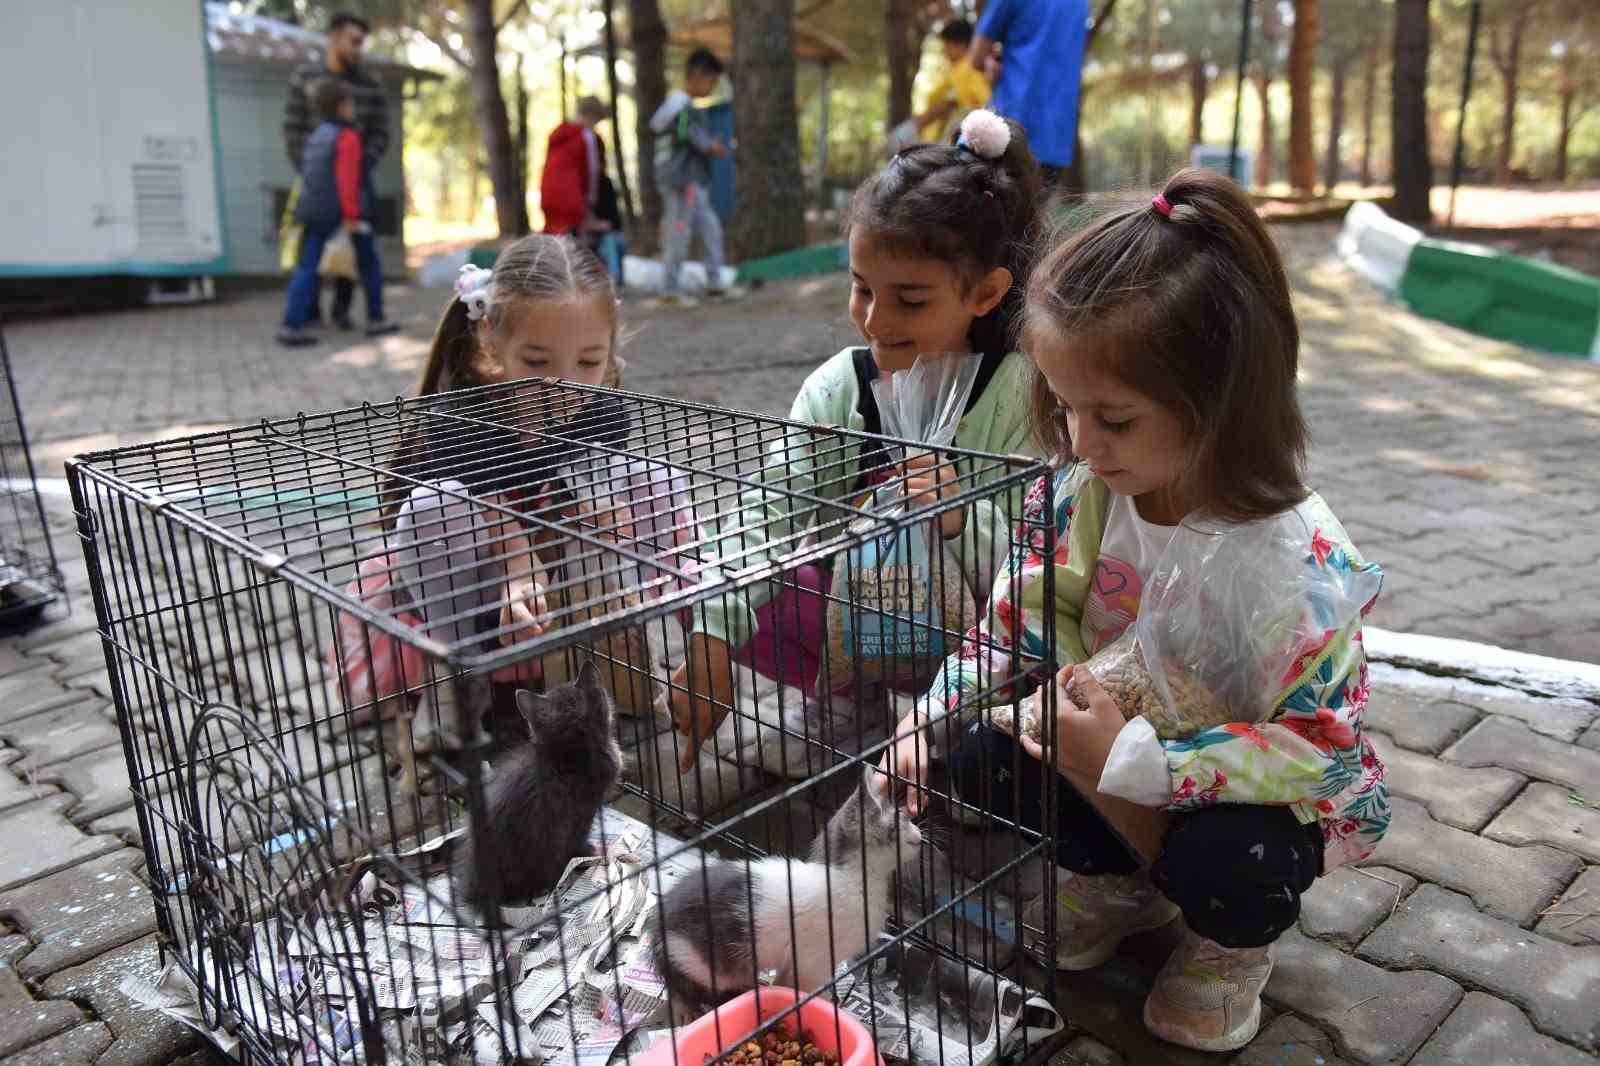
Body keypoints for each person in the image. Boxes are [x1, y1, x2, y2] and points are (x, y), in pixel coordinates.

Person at [883, 170, 1389, 1052]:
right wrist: (926, 721)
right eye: (1065, 407)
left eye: (1112, 417)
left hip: (1232, 797)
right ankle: (1115, 877)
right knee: (975, 756)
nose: (1080, 443)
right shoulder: (1083, 492)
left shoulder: (1300, 564)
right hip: (1107, 749)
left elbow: (1323, 756)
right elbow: (1013, 621)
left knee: (1234, 863)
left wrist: (1147, 762)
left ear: (1220, 400)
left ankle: (1225, 939)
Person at [668, 110, 1047, 777]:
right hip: (855, 625)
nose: (875, 319)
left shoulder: (1020, 394)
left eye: (909, 298)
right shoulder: (836, 393)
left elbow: (1040, 561)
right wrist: (710, 638)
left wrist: (961, 515)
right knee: (705, 577)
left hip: (975, 643)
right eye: (861, 288)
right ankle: (844, 705)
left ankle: (950, 722)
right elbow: (767, 514)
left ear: (985, 292)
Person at [283, 11, 397, 334]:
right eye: (354, 41)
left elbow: (380, 132)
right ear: (334, 38)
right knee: (340, 253)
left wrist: (361, 164)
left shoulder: (369, 86)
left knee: (334, 254)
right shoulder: (304, 78)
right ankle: (309, 314)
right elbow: (291, 130)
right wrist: (315, 171)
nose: (359, 49)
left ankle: (340, 312)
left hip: (347, 184)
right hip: (322, 188)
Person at [277, 80, 391, 347]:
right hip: (343, 212)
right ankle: (376, 319)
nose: (353, 109)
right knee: (370, 265)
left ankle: (291, 324)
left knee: (306, 268)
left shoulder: (317, 135)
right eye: (350, 103)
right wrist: (352, 214)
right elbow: (347, 180)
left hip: (312, 211)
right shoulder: (347, 136)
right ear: (341, 107)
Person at [970, 0, 1090, 187]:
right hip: (1057, 134)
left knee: (998, 210)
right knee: (1037, 211)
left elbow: (976, 56)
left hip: (1010, 127)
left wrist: (991, 62)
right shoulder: (1080, 4)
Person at [650, 48, 735, 307]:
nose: (711, 88)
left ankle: (714, 282)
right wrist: (712, 146)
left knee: (709, 226)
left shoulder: (676, 106)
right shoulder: (680, 105)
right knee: (678, 231)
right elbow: (689, 135)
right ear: (697, 76)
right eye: (711, 81)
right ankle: (670, 290)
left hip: (691, 181)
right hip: (682, 180)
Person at [541, 97, 626, 287]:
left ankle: (550, 281)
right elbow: (591, 171)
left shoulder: (560, 134)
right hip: (572, 196)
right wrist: (590, 202)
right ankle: (575, 285)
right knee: (575, 243)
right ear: (592, 116)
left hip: (549, 195)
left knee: (555, 238)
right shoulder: (585, 136)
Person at [910, 20, 991, 144]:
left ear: (961, 45)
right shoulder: (958, 69)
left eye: (948, 46)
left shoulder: (967, 68)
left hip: (969, 130)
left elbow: (950, 102)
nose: (945, 51)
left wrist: (915, 125)